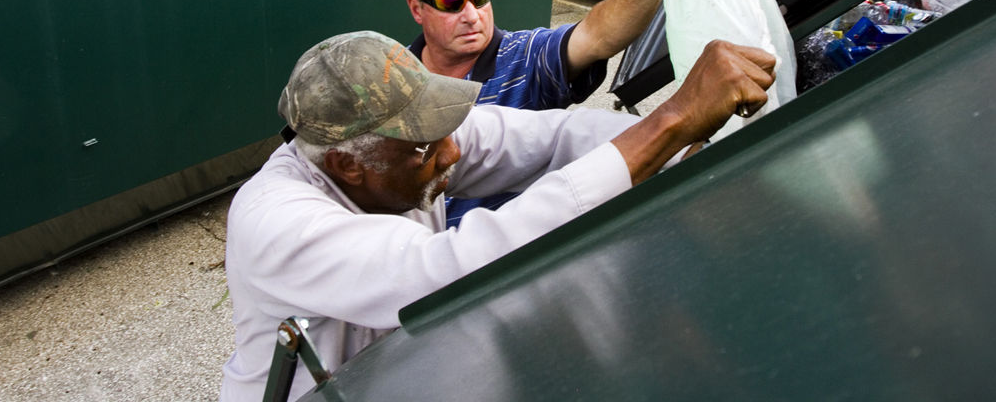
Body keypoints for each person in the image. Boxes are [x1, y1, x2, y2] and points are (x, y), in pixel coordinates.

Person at [220, 30, 775, 402]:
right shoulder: (274, 221)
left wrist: (680, 146)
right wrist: (671, 120)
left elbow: (555, 137)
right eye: (425, 149)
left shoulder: (407, 149)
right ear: (348, 164)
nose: (453, 154)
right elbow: (445, 272)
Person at [405, 0, 692, 222]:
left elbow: (598, 35)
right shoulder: (392, 78)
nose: (472, 15)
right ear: (416, 9)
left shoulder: (523, 58)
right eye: (451, 2)